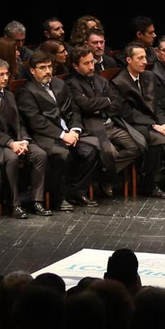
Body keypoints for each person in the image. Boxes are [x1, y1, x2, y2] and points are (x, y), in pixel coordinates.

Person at [17, 51, 99, 210]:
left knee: (90, 151)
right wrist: (62, 135)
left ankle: (75, 191)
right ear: (33, 70)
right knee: (61, 154)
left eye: (49, 67)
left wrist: (75, 129)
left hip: (68, 132)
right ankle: (58, 198)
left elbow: (74, 109)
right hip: (45, 135)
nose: (48, 71)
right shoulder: (27, 91)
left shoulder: (59, 84)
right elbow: (36, 122)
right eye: (42, 68)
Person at [110, 45, 165, 197]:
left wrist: (163, 123)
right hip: (134, 123)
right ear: (129, 60)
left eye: (145, 57)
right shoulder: (119, 82)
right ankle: (149, 183)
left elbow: (159, 103)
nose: (144, 61)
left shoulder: (149, 76)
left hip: (155, 119)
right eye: (139, 58)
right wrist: (155, 125)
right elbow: (127, 112)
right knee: (157, 139)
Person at [0, 58, 50, 218]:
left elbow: (19, 122)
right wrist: (10, 143)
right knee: (12, 159)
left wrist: (23, 140)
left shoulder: (9, 95)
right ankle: (14, 204)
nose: (5, 78)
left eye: (7, 74)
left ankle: (37, 200)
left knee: (39, 155)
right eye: (1, 75)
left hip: (17, 140)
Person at [63, 45, 144, 197]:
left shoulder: (100, 79)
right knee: (110, 153)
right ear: (75, 66)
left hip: (111, 123)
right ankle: (107, 177)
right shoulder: (71, 83)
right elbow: (85, 105)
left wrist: (102, 107)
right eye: (86, 63)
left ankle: (104, 173)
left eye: (92, 62)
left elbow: (117, 102)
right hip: (92, 126)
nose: (91, 66)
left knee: (138, 146)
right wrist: (106, 100)